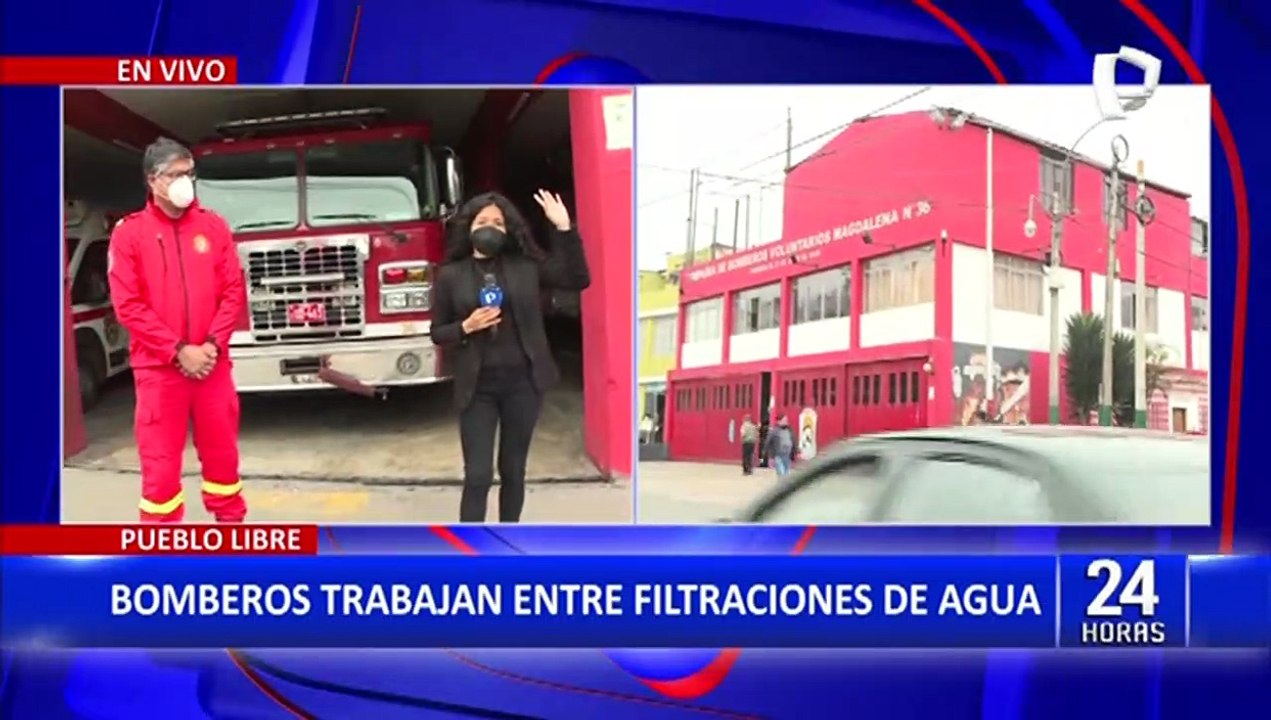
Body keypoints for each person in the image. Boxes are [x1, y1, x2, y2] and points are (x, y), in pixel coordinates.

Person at [107, 137, 248, 523]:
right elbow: (128, 305)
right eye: (176, 175)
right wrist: (177, 350)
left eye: (190, 173)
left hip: (212, 366)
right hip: (158, 372)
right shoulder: (129, 234)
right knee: (160, 473)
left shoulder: (213, 226)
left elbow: (233, 291)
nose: (186, 181)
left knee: (223, 462)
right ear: (153, 181)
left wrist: (212, 346)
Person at [430, 190, 590, 522]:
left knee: (513, 471)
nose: (491, 227)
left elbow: (577, 278)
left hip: (523, 384)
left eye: (498, 223)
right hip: (478, 388)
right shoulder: (450, 275)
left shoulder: (526, 267)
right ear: (469, 227)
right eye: (484, 221)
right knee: (477, 476)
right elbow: (437, 332)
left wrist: (564, 229)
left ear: (508, 230)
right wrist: (466, 326)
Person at [764, 414, 795, 479]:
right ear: (779, 421)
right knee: (781, 474)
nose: (786, 421)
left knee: (787, 474)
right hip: (778, 456)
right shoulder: (774, 431)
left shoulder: (789, 430)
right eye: (784, 420)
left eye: (786, 420)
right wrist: (770, 456)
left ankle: (785, 487)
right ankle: (782, 487)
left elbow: (794, 441)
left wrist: (796, 451)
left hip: (788, 456)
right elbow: (768, 443)